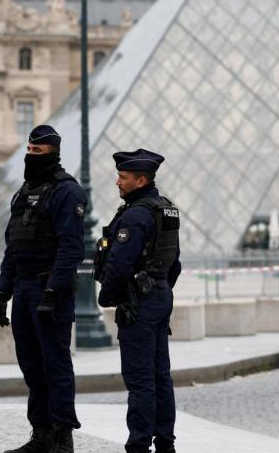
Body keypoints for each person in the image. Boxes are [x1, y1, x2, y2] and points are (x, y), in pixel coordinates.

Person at [0, 125, 87, 453]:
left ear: (53, 154)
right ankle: (41, 434)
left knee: (55, 365)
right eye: (29, 152)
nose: (30, 157)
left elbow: (71, 249)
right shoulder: (23, 192)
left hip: (49, 290)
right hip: (23, 288)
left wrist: (52, 291)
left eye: (38, 153)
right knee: (31, 365)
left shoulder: (67, 192)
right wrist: (2, 293)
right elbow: (12, 246)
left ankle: (62, 439)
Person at [95, 149, 182, 453]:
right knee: (161, 375)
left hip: (139, 301)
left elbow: (119, 264)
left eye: (123, 177)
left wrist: (108, 296)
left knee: (140, 378)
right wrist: (159, 288)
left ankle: (139, 444)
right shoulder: (167, 209)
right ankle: (166, 442)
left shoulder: (135, 214)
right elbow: (175, 263)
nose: (117, 182)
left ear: (141, 179)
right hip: (159, 295)